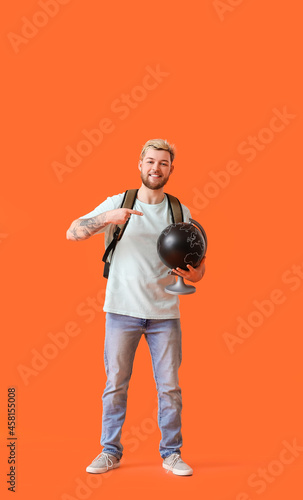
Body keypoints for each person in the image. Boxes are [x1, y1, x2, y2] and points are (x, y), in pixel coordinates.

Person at [66, 139, 206, 476]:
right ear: (140, 164)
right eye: (151, 162)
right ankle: (110, 451)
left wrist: (196, 273)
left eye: (163, 164)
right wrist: (106, 217)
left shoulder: (180, 212)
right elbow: (72, 232)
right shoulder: (118, 202)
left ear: (170, 170)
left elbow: (198, 265)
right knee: (115, 384)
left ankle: (172, 454)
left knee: (169, 387)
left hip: (165, 315)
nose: (156, 168)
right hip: (121, 311)